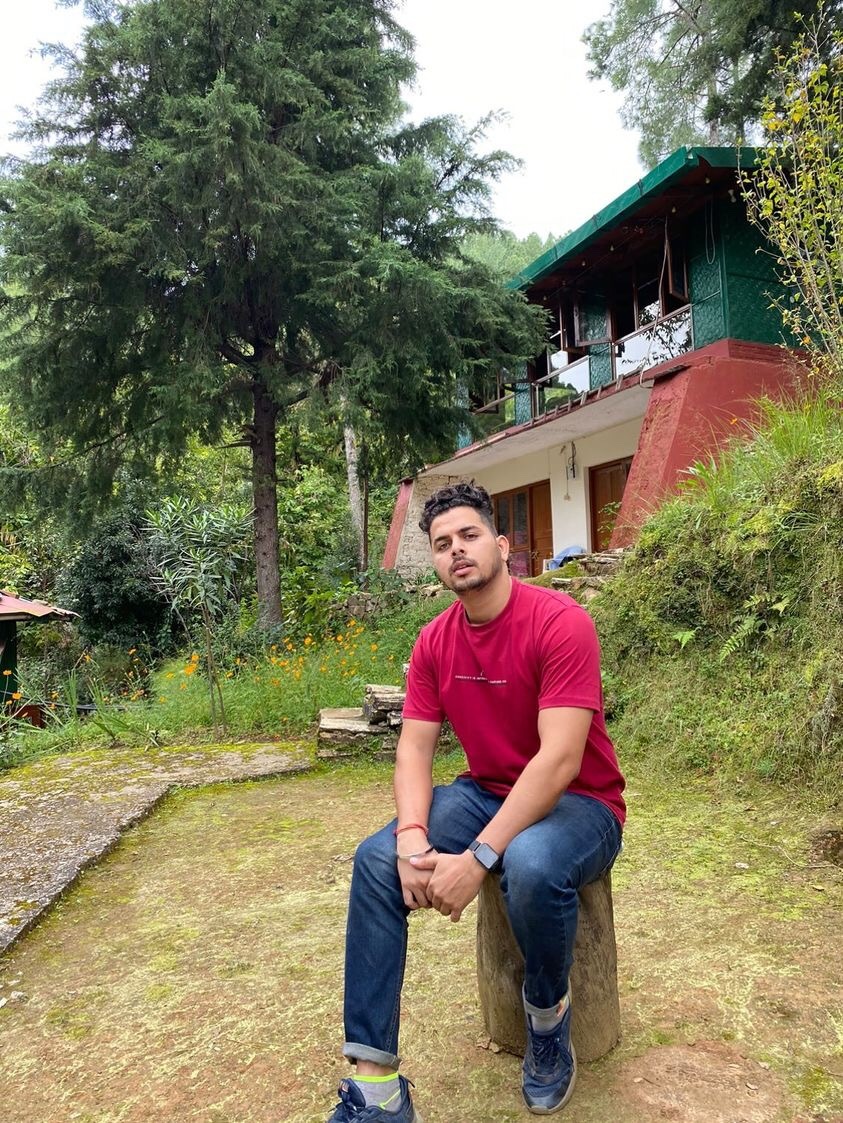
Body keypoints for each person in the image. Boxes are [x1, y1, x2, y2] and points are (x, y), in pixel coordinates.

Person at [325, 482, 625, 1121]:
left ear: (501, 544)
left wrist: (480, 857)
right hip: (486, 791)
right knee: (376, 860)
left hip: (582, 804)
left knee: (531, 864)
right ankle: (377, 1089)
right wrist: (411, 836)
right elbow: (414, 750)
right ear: (435, 562)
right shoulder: (435, 641)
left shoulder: (560, 622)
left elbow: (560, 760)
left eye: (469, 535)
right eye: (442, 544)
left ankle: (547, 1017)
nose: (457, 550)